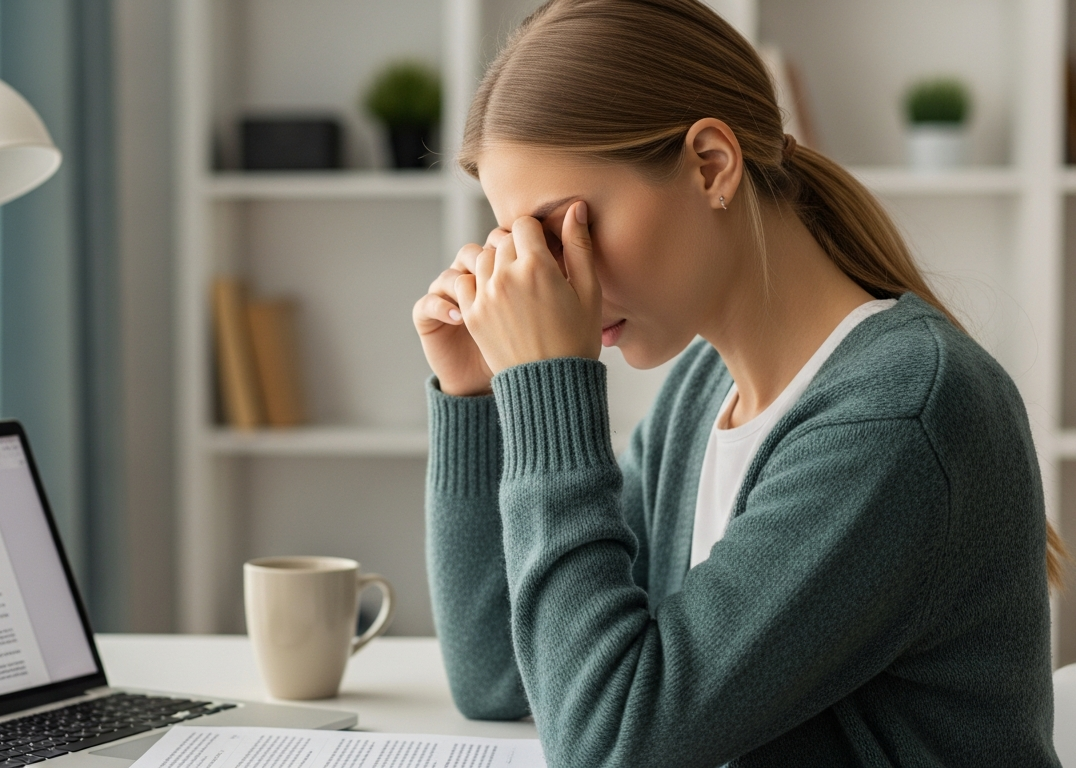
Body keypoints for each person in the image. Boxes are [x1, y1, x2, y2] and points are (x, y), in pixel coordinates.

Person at [411, 1, 1066, 765]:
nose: (551, 279)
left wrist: (549, 388)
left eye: (564, 228)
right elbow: (503, 675)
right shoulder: (701, 391)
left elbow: (610, 742)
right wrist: (476, 399)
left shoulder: (897, 415)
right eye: (520, 241)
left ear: (711, 164)